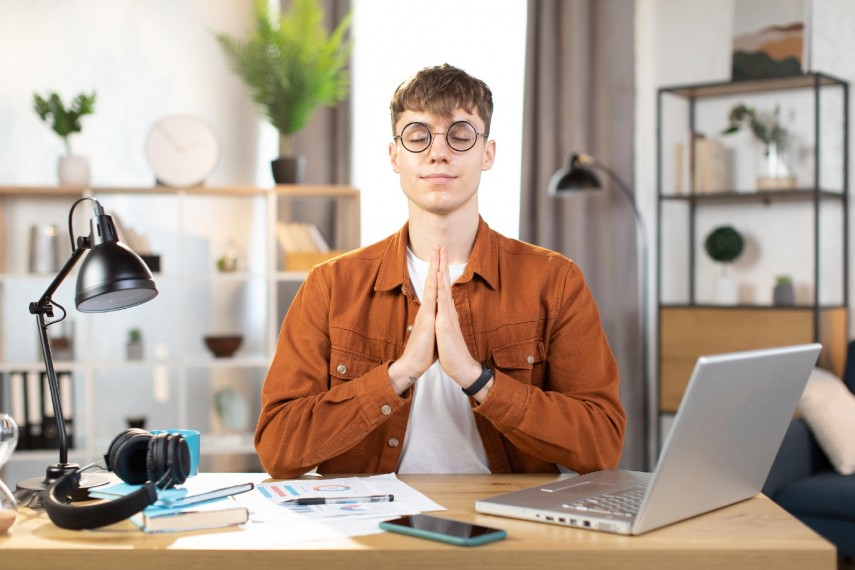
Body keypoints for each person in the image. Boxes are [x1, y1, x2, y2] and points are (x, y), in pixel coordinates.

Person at [256, 63, 626, 478]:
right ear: (395, 156)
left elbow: (601, 445)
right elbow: (278, 449)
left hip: (505, 528)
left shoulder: (554, 281)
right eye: (418, 136)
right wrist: (401, 372)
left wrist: (474, 377)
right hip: (373, 531)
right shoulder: (330, 285)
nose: (438, 151)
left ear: (488, 153)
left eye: (461, 135)